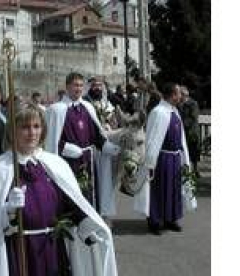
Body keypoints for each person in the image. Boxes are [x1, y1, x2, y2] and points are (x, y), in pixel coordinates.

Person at [0, 103, 118, 276]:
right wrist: (7, 210)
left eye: (36, 126)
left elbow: (71, 203)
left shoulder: (54, 164)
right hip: (20, 251)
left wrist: (88, 225)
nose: (32, 133)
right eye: (25, 127)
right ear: (12, 131)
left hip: (53, 249)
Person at [45, 72, 121, 216]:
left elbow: (96, 135)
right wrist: (65, 148)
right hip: (67, 164)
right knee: (71, 197)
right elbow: (51, 140)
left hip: (88, 162)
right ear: (67, 87)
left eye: (81, 85)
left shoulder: (87, 107)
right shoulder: (57, 110)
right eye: (75, 85)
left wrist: (107, 146)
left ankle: (89, 228)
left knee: (90, 195)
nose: (78, 89)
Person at [133, 82, 191, 235]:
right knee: (159, 190)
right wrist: (151, 161)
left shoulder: (174, 111)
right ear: (172, 95)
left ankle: (170, 218)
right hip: (162, 158)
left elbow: (181, 137)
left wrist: (184, 157)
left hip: (175, 157)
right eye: (179, 93)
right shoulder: (158, 112)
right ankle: (155, 221)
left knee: (173, 189)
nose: (181, 96)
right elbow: (152, 138)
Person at [178, 85, 200, 174]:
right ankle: (186, 168)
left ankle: (195, 169)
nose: (179, 96)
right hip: (183, 132)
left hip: (192, 132)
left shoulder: (193, 103)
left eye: (180, 94)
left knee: (193, 151)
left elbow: (193, 117)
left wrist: (181, 124)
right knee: (185, 151)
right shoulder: (179, 104)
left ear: (184, 95)